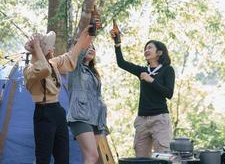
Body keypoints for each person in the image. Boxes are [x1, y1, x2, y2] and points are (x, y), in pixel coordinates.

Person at [23, 25, 93, 164]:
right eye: (50, 47)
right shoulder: (29, 71)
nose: (53, 49)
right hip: (44, 114)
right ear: (43, 51)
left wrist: (83, 35)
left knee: (63, 158)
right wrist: (37, 47)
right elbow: (43, 69)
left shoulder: (53, 63)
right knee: (43, 159)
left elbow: (70, 57)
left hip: (58, 111)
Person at [110, 28, 175, 157]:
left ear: (159, 52)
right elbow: (121, 63)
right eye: (145, 48)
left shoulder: (167, 70)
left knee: (163, 157)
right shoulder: (142, 70)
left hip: (160, 119)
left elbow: (169, 93)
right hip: (142, 120)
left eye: (150, 47)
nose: (146, 50)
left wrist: (151, 80)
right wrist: (117, 43)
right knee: (141, 158)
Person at [66, 43, 107, 164]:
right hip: (80, 116)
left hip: (97, 118)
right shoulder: (75, 67)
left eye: (93, 48)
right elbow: (79, 49)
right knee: (93, 156)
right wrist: (90, 33)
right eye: (87, 47)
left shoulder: (94, 72)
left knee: (90, 157)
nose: (91, 49)